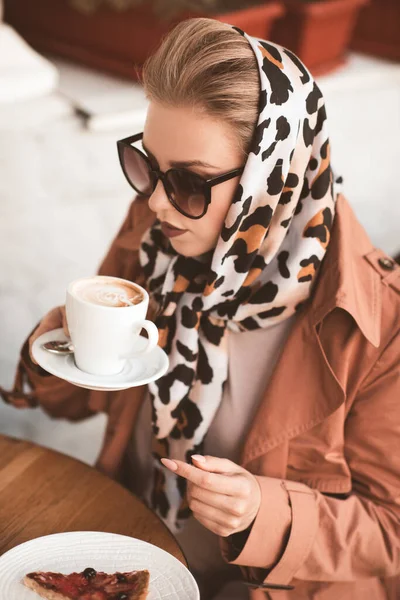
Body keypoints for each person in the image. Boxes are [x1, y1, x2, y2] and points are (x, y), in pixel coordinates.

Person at [2, 18, 399, 600]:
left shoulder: (377, 325)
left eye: (190, 181)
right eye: (147, 164)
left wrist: (264, 512)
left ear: (272, 181)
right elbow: (86, 399)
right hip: (134, 562)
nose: (157, 200)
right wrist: (57, 354)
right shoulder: (156, 233)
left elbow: (390, 530)